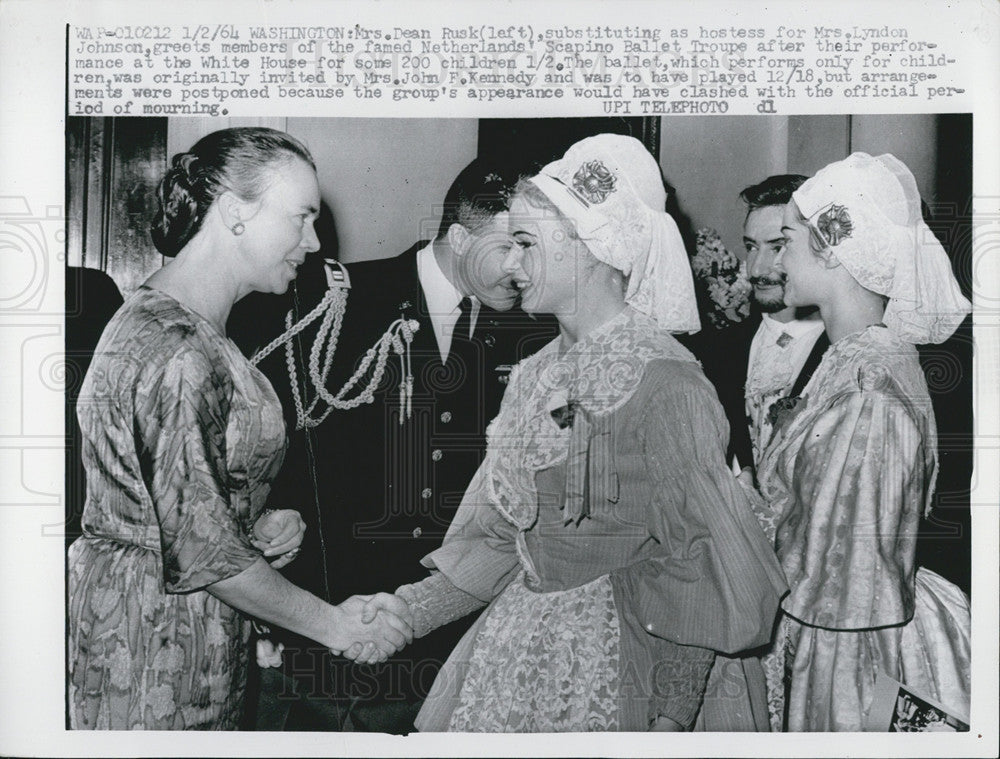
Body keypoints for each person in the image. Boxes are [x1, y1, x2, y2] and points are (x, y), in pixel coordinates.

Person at [365, 134, 789, 732]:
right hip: (519, 651)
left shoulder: (667, 383)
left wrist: (669, 719)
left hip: (631, 670)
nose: (510, 265)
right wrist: (407, 610)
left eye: (525, 243)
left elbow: (701, 565)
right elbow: (502, 542)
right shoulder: (534, 372)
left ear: (591, 245)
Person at [67, 127, 412, 730]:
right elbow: (202, 549)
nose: (312, 242)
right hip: (154, 638)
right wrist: (334, 625)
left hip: (178, 620)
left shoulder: (187, 328)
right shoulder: (176, 347)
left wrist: (252, 522)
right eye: (300, 218)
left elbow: (171, 500)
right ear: (233, 213)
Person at [246, 157, 558, 732]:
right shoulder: (331, 298)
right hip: (330, 633)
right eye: (510, 247)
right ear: (460, 237)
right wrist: (267, 513)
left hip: (455, 637)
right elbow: (264, 429)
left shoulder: (540, 330)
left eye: (533, 247)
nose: (523, 269)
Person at [754, 152, 972, 730]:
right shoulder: (847, 358)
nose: (778, 259)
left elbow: (840, 568)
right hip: (830, 610)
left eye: (788, 239)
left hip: (847, 638)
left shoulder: (869, 384)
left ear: (834, 248)